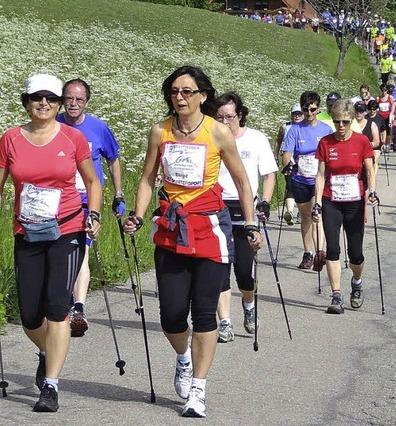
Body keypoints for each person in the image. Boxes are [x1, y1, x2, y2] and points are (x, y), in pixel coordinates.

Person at [123, 66, 261, 418]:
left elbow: (243, 183)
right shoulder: (160, 131)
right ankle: (183, 360)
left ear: (203, 95)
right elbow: (147, 178)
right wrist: (138, 215)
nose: (179, 97)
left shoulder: (217, 133)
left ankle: (198, 387)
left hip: (210, 228)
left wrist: (249, 224)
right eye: (174, 91)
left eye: (187, 91)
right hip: (171, 228)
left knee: (203, 313)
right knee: (171, 315)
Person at [0, 73, 102, 412]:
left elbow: (92, 181)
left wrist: (95, 213)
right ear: (26, 102)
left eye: (51, 98)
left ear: (59, 104)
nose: (45, 103)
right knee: (30, 314)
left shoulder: (72, 138)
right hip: (27, 231)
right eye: (37, 97)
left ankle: (51, 385)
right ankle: (47, 351)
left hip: (67, 229)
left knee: (57, 308)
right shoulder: (11, 139)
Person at [56, 78, 124, 338]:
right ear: (63, 99)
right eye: (69, 99)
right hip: (58, 198)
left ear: (87, 101)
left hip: (87, 199)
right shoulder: (53, 123)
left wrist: (119, 194)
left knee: (81, 248)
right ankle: (59, 301)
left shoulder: (98, 128)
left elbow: (113, 160)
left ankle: (78, 307)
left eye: (79, 99)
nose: (73, 104)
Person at [212, 92, 277, 343]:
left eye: (229, 116)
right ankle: (225, 322)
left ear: (240, 115)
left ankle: (249, 306)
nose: (225, 121)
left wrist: (266, 202)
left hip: (246, 209)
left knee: (244, 273)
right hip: (218, 206)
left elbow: (269, 174)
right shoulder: (211, 138)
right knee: (219, 268)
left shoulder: (256, 139)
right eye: (219, 117)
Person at [312, 99, 377, 314]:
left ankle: (356, 283)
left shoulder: (362, 141)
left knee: (355, 253)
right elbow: (320, 175)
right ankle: (336, 295)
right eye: (337, 121)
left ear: (351, 122)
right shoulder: (325, 142)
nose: (341, 127)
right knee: (332, 248)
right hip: (332, 200)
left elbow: (369, 170)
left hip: (354, 201)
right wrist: (318, 202)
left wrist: (373, 192)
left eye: (346, 122)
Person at [281, 91, 332, 270]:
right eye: (305, 110)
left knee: (317, 214)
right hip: (301, 178)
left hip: (320, 178)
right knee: (306, 216)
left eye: (312, 109)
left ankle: (320, 252)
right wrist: (287, 167)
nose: (309, 113)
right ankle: (308, 252)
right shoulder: (294, 129)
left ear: (318, 109)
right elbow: (287, 153)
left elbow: (331, 152)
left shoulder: (326, 129)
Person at [274, 103, 304, 225]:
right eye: (294, 114)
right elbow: (278, 140)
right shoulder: (285, 127)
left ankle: (301, 212)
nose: (296, 116)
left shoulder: (306, 127)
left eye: (299, 114)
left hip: (303, 161)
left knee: (302, 187)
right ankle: (290, 212)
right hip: (289, 160)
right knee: (290, 185)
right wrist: (275, 155)